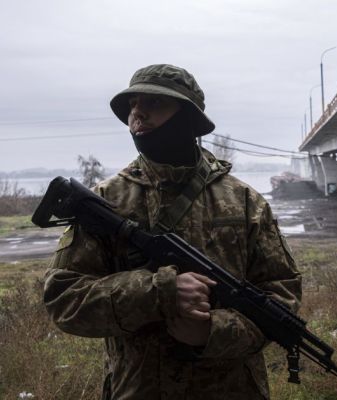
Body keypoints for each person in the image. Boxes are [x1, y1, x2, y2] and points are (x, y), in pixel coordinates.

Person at [43, 64, 302, 400]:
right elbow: (65, 300)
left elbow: (282, 296)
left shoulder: (245, 202)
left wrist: (212, 331)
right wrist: (158, 291)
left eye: (155, 104)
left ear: (188, 119)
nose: (138, 114)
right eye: (134, 105)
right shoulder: (106, 201)